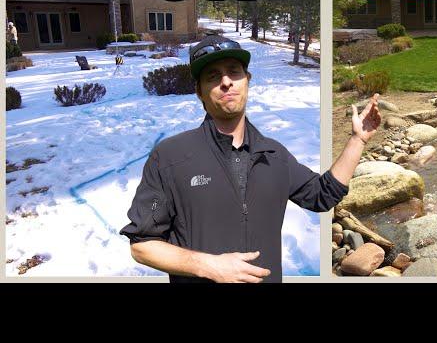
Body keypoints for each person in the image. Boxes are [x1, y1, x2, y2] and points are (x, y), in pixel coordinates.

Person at [120, 35, 381, 283]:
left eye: (234, 71)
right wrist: (208, 266)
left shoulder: (274, 155)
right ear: (199, 91)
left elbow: (322, 195)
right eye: (212, 75)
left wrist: (358, 140)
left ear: (248, 80)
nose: (226, 81)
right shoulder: (170, 157)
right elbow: (142, 245)